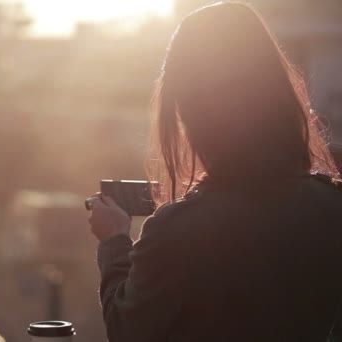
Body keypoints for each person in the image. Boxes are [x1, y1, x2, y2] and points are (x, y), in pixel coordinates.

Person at [88, 2, 342, 341]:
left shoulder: (178, 230)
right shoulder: (330, 206)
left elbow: (126, 329)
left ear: (192, 114)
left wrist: (115, 242)